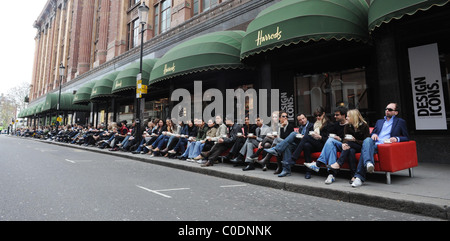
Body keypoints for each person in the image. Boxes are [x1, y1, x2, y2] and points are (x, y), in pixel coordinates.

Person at [351, 103, 409, 187]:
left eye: (390, 109)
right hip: (374, 144)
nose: (387, 111)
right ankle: (368, 163)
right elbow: (373, 132)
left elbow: (406, 137)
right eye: (386, 109)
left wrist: (397, 139)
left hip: (384, 146)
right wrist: (373, 134)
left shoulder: (400, 122)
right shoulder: (379, 121)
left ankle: (359, 177)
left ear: (396, 112)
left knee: (365, 151)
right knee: (367, 140)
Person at [271, 107, 332, 178]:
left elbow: (328, 139)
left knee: (302, 137)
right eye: (316, 116)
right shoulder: (314, 124)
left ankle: (290, 157)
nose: (318, 117)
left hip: (321, 144)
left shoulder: (321, 124)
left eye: (319, 115)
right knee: (303, 145)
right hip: (304, 144)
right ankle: (289, 170)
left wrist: (319, 136)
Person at [303, 106, 348, 179]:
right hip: (333, 144)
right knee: (307, 145)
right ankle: (331, 174)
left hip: (344, 144)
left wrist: (339, 139)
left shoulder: (348, 125)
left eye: (337, 115)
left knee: (329, 140)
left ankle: (318, 164)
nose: (334, 116)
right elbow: (331, 135)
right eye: (334, 115)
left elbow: (349, 139)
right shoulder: (336, 124)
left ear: (343, 115)